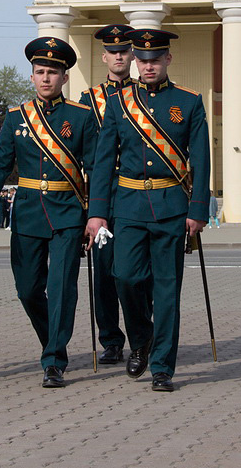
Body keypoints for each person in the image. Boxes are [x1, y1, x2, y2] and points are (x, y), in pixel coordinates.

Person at [85, 28, 211, 393]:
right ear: (135, 61)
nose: (148, 65)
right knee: (124, 276)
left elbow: (200, 160)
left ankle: (162, 368)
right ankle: (141, 337)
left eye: (155, 59)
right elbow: (104, 159)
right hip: (127, 205)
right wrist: (97, 213)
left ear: (168, 59)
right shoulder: (120, 102)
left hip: (172, 206)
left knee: (167, 289)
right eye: (142, 60)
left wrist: (198, 209)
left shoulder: (188, 102)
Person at [0, 36, 97, 389]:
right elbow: (0, 163)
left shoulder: (81, 117)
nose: (46, 78)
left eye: (53, 72)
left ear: (64, 77)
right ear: (31, 77)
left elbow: (95, 168)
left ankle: (54, 360)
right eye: (40, 72)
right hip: (28, 212)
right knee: (28, 290)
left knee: (61, 289)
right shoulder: (17, 117)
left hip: (68, 215)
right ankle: (52, 341)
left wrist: (95, 214)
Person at [78, 23, 136, 366]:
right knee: (104, 271)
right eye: (113, 52)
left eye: (124, 51)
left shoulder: (144, 93)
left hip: (136, 193)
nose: (118, 56)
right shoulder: (90, 100)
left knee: (136, 271)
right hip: (103, 193)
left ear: (132, 55)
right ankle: (111, 339)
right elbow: (87, 152)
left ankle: (142, 331)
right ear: (104, 57)